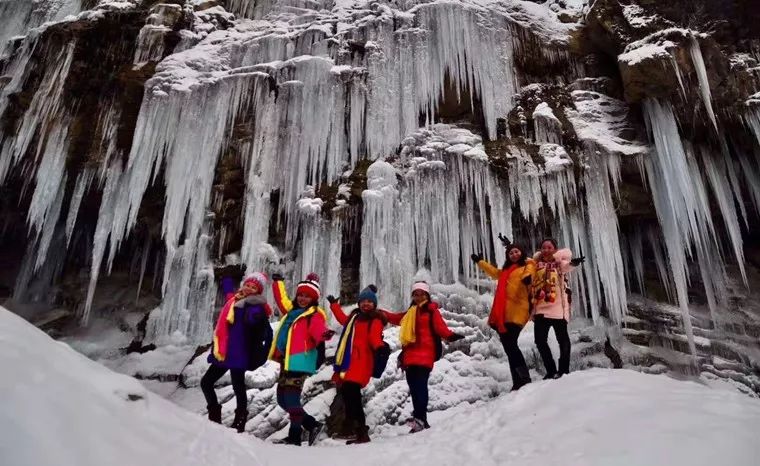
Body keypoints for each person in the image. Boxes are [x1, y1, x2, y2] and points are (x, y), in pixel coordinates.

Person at [383, 281, 464, 433]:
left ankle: (420, 417)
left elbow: (440, 327)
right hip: (410, 356)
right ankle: (421, 420)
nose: (418, 297)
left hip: (425, 354)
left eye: (422, 294)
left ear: (427, 295)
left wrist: (451, 336)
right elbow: (395, 318)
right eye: (416, 294)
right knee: (414, 388)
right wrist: (381, 313)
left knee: (420, 386)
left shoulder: (431, 311)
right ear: (413, 296)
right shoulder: (409, 313)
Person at [201, 272, 272, 433]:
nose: (249, 288)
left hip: (240, 354)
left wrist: (257, 317)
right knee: (206, 382)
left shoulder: (255, 307)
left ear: (258, 292)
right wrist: (226, 279)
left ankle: (239, 422)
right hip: (225, 352)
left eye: (253, 287)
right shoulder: (235, 301)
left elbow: (257, 323)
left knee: (238, 387)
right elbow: (229, 296)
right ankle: (215, 417)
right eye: (247, 285)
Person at [269, 272, 334, 446]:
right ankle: (312, 425)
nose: (303, 298)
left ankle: (295, 438)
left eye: (307, 296)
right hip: (286, 361)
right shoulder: (292, 311)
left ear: (313, 299)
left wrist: (324, 335)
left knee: (291, 400)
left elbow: (318, 330)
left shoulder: (314, 315)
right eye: (300, 295)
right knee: (282, 400)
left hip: (300, 361)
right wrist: (278, 282)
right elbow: (282, 300)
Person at [326, 286, 389, 444]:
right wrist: (334, 305)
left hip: (362, 363)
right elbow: (342, 319)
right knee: (349, 396)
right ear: (359, 303)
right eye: (363, 301)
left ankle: (360, 431)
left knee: (352, 396)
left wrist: (380, 347)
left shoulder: (375, 320)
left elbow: (374, 338)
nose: (366, 304)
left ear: (374, 305)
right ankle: (354, 429)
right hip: (349, 362)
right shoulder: (354, 318)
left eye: (369, 301)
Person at [471, 236, 536, 391]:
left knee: (511, 345)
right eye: (511, 253)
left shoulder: (527, 265)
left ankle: (524, 378)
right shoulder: (506, 271)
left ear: (522, 253)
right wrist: (480, 262)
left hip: (518, 311)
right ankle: (518, 381)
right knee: (509, 347)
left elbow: (531, 267)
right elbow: (494, 273)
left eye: (516, 251)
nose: (514, 254)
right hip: (503, 314)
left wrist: (528, 277)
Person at [531, 238, 584, 379]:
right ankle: (551, 370)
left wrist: (574, 263)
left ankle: (563, 370)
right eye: (544, 247)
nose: (546, 250)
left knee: (563, 340)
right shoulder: (535, 264)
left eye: (549, 247)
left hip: (558, 310)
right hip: (541, 309)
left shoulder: (559, 264)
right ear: (540, 250)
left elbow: (567, 266)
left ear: (555, 250)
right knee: (540, 341)